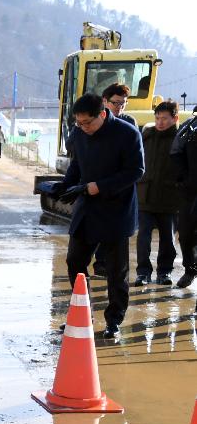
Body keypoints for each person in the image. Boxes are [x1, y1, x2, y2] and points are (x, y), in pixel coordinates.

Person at [51, 93, 144, 340]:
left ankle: (113, 320)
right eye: (79, 124)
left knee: (115, 271)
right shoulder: (81, 134)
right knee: (75, 262)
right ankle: (83, 315)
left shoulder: (127, 133)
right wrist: (65, 186)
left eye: (87, 123)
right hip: (87, 208)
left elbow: (136, 170)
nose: (83, 128)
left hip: (116, 210)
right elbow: (77, 165)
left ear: (102, 114)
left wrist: (99, 186)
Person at [92, 83, 139, 277]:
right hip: (97, 184)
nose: (120, 107)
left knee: (117, 230)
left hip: (121, 185)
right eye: (116, 103)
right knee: (98, 226)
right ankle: (99, 262)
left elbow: (136, 160)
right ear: (105, 101)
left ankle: (110, 266)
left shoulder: (129, 124)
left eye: (123, 103)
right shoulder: (94, 121)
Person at [134, 101, 180, 286]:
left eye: (165, 119)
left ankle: (164, 272)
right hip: (145, 195)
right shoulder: (147, 136)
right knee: (143, 237)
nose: (160, 122)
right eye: (157, 118)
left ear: (175, 118)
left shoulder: (180, 138)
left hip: (170, 198)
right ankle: (143, 272)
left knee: (167, 239)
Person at [171, 109, 197, 288]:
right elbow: (175, 153)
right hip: (190, 191)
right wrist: (184, 180)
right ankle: (190, 269)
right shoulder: (189, 127)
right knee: (186, 233)